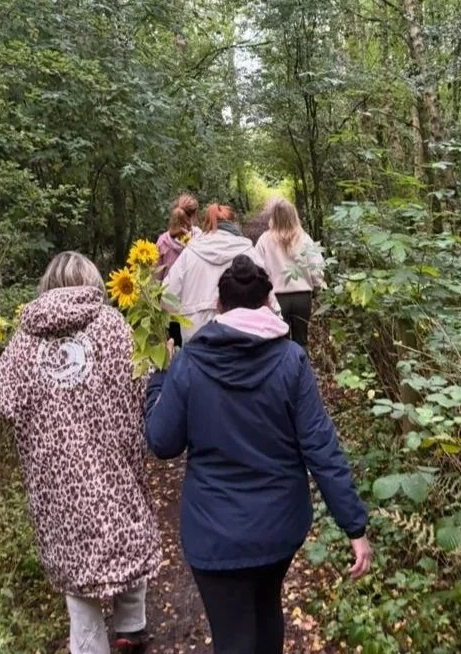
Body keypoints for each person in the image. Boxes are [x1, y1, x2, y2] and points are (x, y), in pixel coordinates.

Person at [146, 255, 371, 654]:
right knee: (267, 611)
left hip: (213, 531)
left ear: (218, 305)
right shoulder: (291, 361)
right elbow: (320, 447)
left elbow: (163, 442)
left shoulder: (190, 363)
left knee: (232, 636)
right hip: (278, 528)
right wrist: (354, 527)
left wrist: (158, 379)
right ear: (269, 302)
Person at [0, 251, 163, 654]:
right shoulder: (112, 325)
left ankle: (91, 645)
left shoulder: (25, 339)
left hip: (57, 484)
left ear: (47, 286)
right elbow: (145, 381)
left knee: (75, 568)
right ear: (92, 282)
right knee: (126, 536)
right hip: (114, 464)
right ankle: (131, 628)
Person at [163, 203, 276, 342]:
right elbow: (270, 300)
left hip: (197, 340)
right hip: (243, 340)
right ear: (234, 223)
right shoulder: (250, 253)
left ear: (206, 225)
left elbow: (167, 299)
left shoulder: (189, 254)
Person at [256, 198, 324, 349]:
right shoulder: (305, 239)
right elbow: (316, 266)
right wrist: (317, 285)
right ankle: (302, 364)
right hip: (302, 297)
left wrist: (263, 294)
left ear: (274, 216)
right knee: (302, 341)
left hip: (277, 298)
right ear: (294, 215)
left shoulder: (264, 240)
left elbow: (258, 270)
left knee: (280, 345)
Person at [156, 207, 192, 349]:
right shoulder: (193, 242)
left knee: (172, 340)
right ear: (187, 222)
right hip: (188, 298)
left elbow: (157, 276)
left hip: (169, 300)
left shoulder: (162, 242)